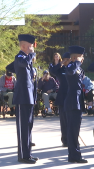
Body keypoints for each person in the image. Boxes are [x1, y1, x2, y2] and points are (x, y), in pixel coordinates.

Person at [12, 34, 38, 164]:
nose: (32, 49)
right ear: (23, 46)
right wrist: (31, 55)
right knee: (23, 127)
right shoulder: (20, 57)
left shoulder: (27, 60)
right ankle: (23, 155)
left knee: (28, 126)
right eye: (30, 46)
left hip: (29, 97)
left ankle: (28, 154)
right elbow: (23, 62)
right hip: (22, 97)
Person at [64, 46, 87, 163]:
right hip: (72, 102)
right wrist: (76, 62)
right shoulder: (70, 66)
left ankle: (74, 154)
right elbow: (70, 71)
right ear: (75, 57)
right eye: (81, 57)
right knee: (72, 131)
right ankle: (74, 156)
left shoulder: (78, 68)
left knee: (75, 130)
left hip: (77, 102)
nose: (82, 59)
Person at [49, 52, 71, 147]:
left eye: (68, 59)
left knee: (71, 120)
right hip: (62, 96)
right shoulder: (60, 69)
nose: (67, 61)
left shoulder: (72, 68)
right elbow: (52, 71)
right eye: (65, 59)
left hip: (71, 95)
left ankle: (72, 139)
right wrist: (60, 64)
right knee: (63, 120)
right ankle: (65, 140)